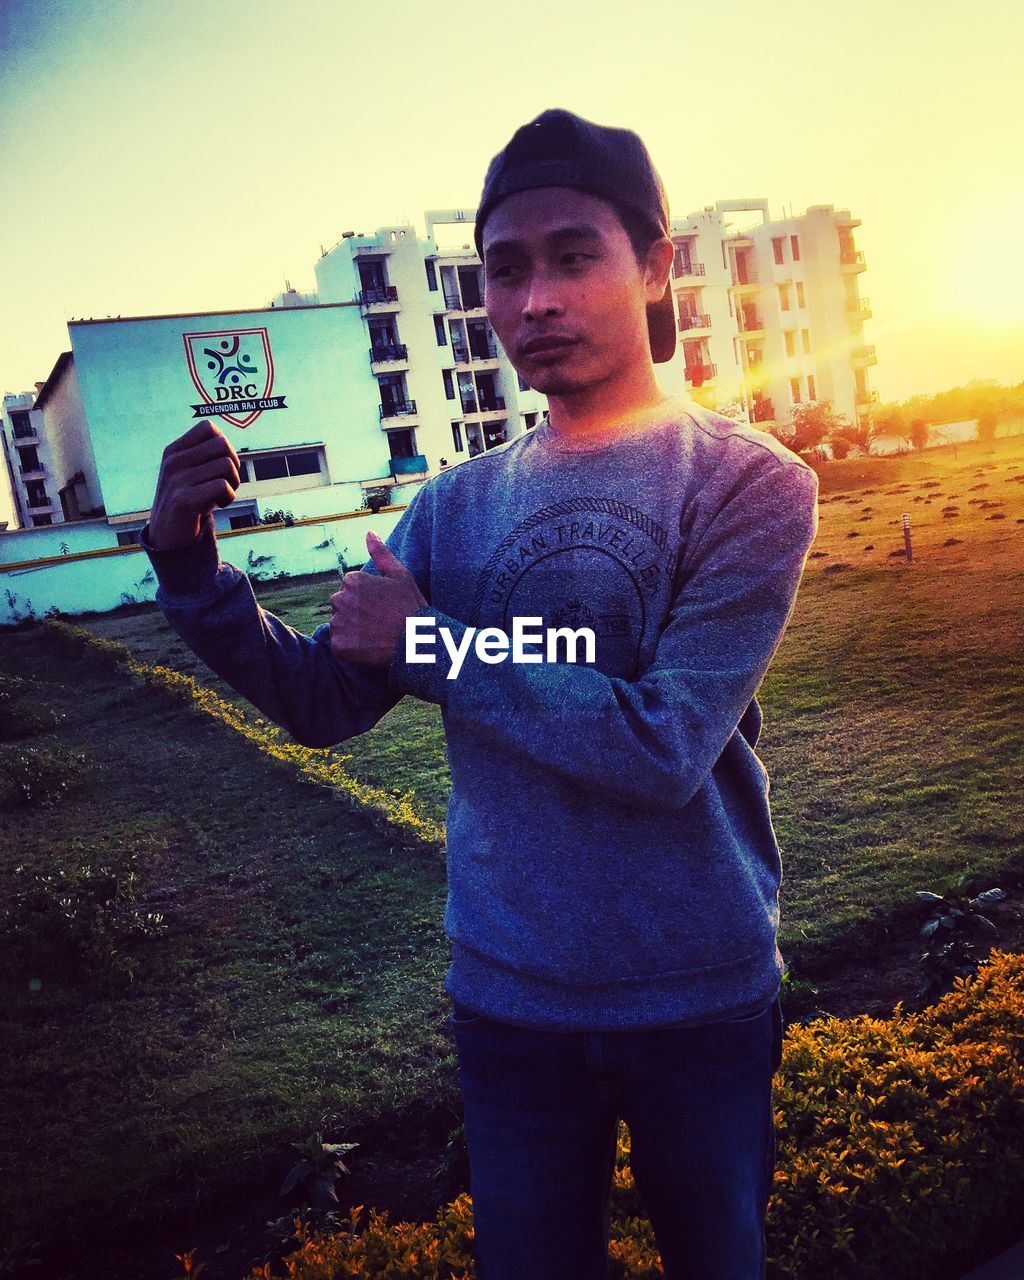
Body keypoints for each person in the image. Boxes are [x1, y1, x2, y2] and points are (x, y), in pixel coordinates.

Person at [139, 108, 819, 1279]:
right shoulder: (453, 507)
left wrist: (436, 648)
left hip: (698, 1000)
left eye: (573, 256)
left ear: (653, 267)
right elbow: (322, 702)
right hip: (511, 1006)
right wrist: (192, 572)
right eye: (506, 270)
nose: (535, 299)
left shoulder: (747, 485)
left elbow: (663, 744)